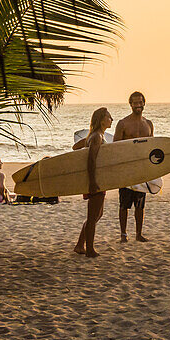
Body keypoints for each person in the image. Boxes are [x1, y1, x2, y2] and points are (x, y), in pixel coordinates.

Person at [113, 91, 153, 243]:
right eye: (135, 103)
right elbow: (115, 146)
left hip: (142, 170)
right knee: (124, 204)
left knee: (140, 204)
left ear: (144, 103)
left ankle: (138, 234)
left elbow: (152, 147)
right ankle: (123, 234)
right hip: (126, 170)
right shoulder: (123, 123)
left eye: (140, 102)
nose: (138, 105)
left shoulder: (148, 124)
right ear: (130, 104)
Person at [74, 107, 112, 257]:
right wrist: (92, 181)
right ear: (102, 119)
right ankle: (89, 249)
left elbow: (75, 147)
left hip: (97, 179)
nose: (111, 120)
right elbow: (91, 159)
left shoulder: (95, 135)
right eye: (109, 117)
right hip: (95, 180)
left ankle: (79, 245)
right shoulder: (97, 136)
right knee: (93, 216)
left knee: (97, 214)